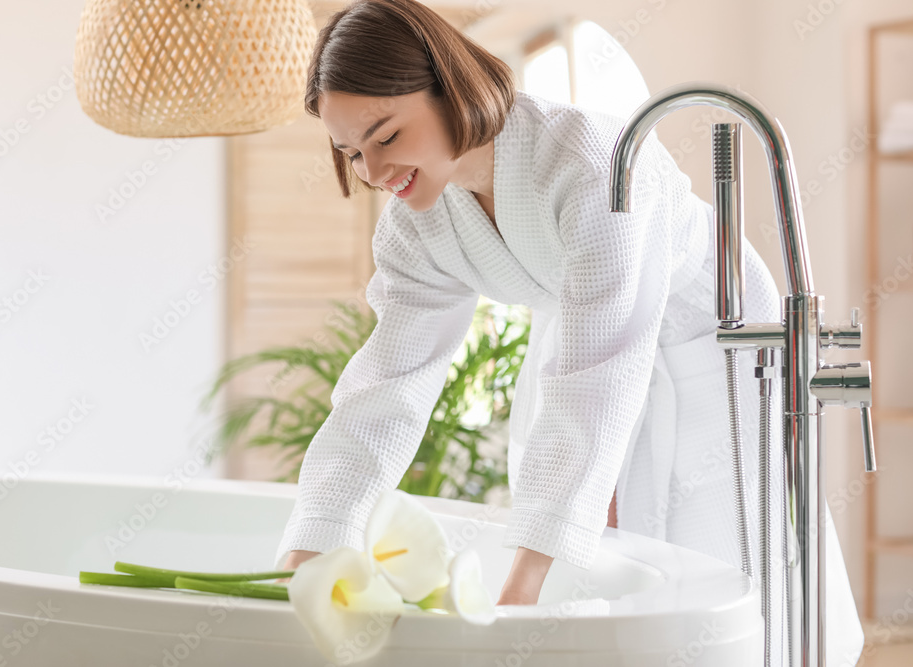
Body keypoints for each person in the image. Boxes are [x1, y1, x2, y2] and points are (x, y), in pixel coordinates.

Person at [274, 0, 864, 661]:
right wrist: (311, 545)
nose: (373, 173)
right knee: (601, 544)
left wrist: (521, 592)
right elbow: (386, 383)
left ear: (450, 88)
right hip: (585, 329)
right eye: (350, 153)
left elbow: (597, 375)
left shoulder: (592, 162)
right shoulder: (417, 219)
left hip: (708, 329)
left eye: (386, 136)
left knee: (718, 554)